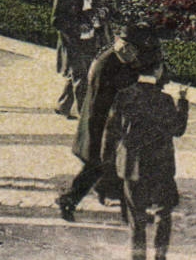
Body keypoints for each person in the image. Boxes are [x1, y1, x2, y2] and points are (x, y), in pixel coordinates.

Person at [59, 23, 161, 221]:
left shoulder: (113, 56)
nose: (136, 54)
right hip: (103, 126)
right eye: (135, 48)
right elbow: (125, 90)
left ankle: (129, 212)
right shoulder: (110, 64)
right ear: (127, 45)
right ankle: (68, 201)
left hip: (102, 123)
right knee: (102, 167)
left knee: (113, 167)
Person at [105, 61, 189, 260]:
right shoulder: (165, 100)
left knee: (137, 218)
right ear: (157, 71)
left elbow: (112, 131)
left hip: (131, 166)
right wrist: (183, 102)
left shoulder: (123, 96)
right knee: (163, 213)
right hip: (161, 165)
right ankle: (160, 256)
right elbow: (178, 129)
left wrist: (113, 159)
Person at [53, 0, 109, 118]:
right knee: (81, 76)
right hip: (73, 40)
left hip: (91, 38)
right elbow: (57, 20)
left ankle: (63, 105)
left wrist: (102, 12)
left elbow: (98, 6)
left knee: (80, 73)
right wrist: (77, 26)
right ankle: (85, 114)